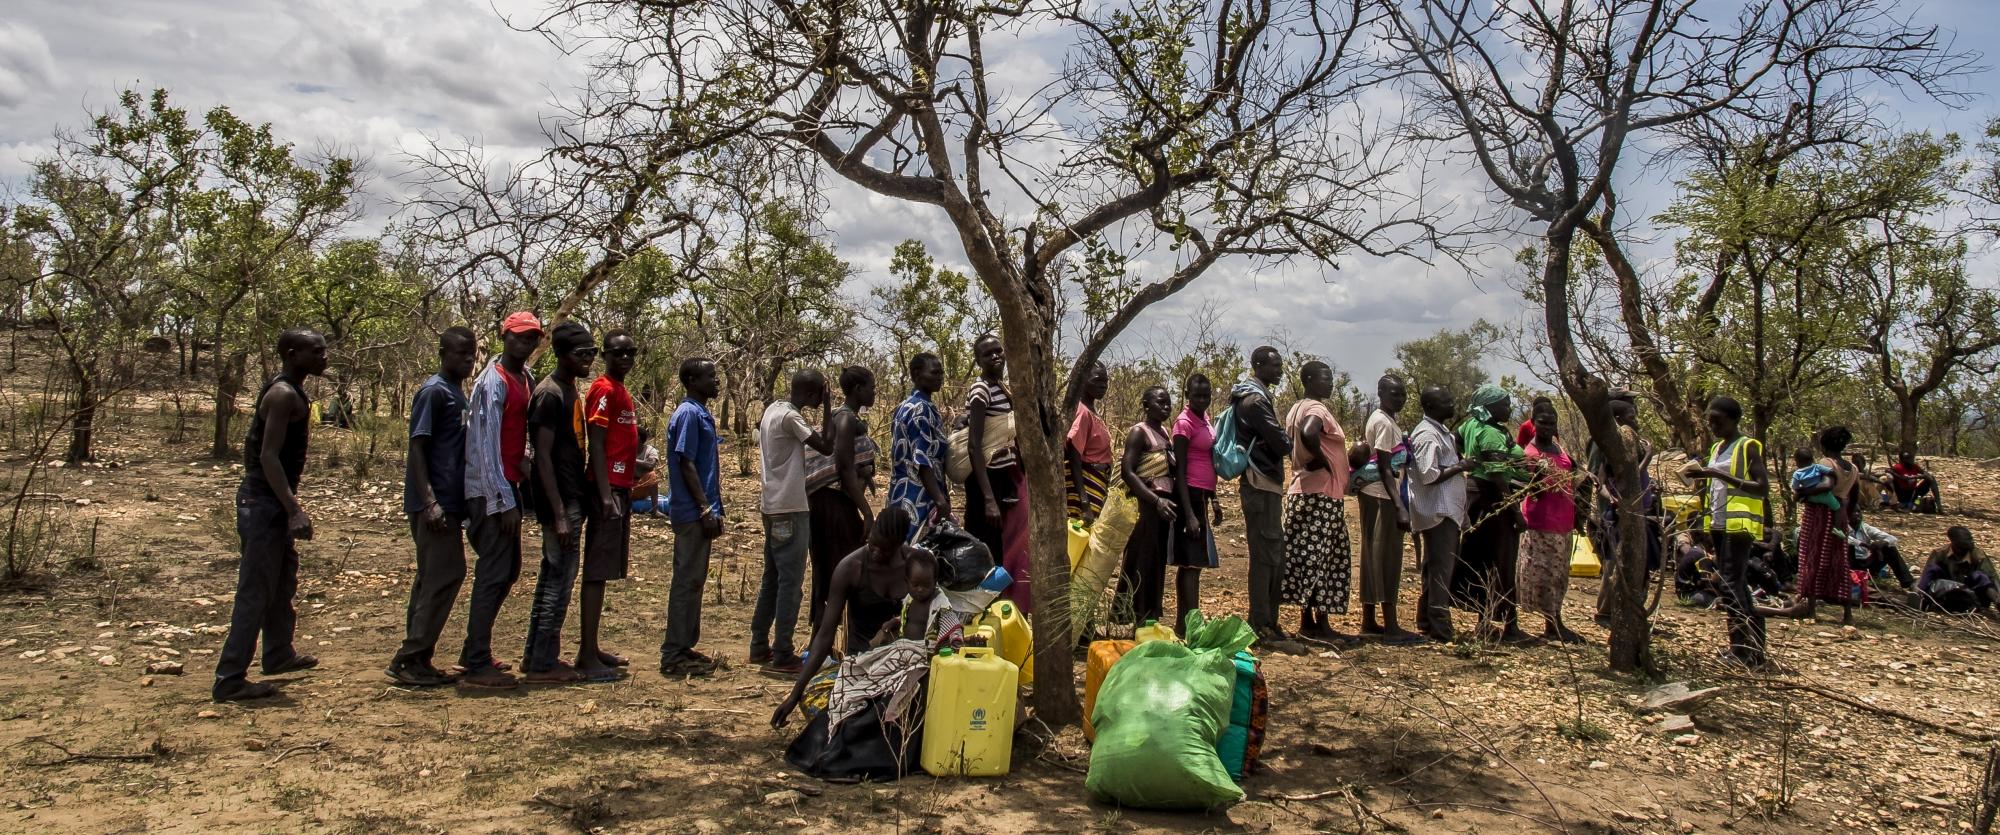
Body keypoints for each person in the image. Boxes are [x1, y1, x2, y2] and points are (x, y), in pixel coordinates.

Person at [212, 330, 328, 702]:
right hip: (263, 503)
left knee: (282, 580)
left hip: (271, 502)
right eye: (316, 351)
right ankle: (230, 678)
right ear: (293, 355)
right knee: (256, 589)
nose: (324, 357)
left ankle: (278, 653)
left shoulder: (292, 390)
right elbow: (267, 456)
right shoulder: (281, 395)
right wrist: (293, 509)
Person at [771, 504, 932, 729]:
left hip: (904, 664)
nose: (875, 552)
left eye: (883, 550)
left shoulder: (914, 565)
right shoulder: (851, 568)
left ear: (898, 546)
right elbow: (825, 635)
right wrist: (794, 694)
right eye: (872, 544)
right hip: (861, 663)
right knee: (817, 699)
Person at [386, 327, 478, 687]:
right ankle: (408, 658)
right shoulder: (433, 392)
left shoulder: (458, 393)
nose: (468, 361)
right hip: (434, 503)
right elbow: (418, 448)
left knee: (431, 577)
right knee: (446, 573)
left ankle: (418, 656)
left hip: (451, 501)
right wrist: (430, 502)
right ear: (443, 353)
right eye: (460, 354)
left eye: (471, 355)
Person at [455, 312, 540, 689]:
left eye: (533, 338)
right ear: (505, 336)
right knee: (493, 573)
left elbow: (515, 435)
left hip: (510, 484)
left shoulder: (525, 378)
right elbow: (484, 444)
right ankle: (475, 664)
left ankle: (475, 650)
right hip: (490, 491)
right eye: (520, 337)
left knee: (508, 571)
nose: (526, 344)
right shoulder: (492, 382)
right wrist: (502, 499)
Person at [521, 321, 595, 684]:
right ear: (562, 355)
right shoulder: (549, 394)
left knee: (552, 577)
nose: (588, 360)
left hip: (570, 497)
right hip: (560, 502)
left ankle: (536, 655)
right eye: (582, 354)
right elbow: (542, 458)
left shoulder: (569, 391)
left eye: (591, 354)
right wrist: (561, 513)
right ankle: (544, 662)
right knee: (559, 581)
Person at [750, 369, 836, 674]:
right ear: (813, 395)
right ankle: (783, 652)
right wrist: (829, 408)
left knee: (772, 577)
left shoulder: (774, 408)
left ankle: (760, 644)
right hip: (790, 506)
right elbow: (826, 446)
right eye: (820, 396)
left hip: (771, 505)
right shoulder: (791, 418)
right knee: (791, 583)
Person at [1681, 395, 1770, 669]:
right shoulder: (1719, 447)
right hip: (1719, 522)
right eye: (1710, 421)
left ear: (1732, 420)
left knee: (1730, 583)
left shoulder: (1748, 446)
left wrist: (1718, 475)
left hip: (1739, 525)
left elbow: (1761, 487)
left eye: (1717, 421)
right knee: (1734, 583)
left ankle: (1744, 649)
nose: (1713, 426)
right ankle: (1748, 648)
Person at [578, 330, 641, 682]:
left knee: (606, 570)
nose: (626, 358)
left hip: (621, 486)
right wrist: (604, 495)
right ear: (605, 355)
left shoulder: (621, 390)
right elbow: (597, 443)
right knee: (596, 570)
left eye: (631, 352)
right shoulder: (602, 390)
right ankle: (586, 654)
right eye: (619, 353)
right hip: (608, 489)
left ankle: (593, 646)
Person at [1281, 361, 1356, 645]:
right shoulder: (1316, 409)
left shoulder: (1296, 408)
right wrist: (1326, 463)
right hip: (1321, 494)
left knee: (1307, 556)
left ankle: (1307, 621)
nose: (1330, 383)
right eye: (1325, 378)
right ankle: (1321, 625)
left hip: (1304, 490)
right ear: (1309, 380)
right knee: (1324, 557)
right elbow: (1310, 433)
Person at [660, 357, 726, 677]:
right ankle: (673, 653)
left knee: (695, 580)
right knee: (686, 581)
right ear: (691, 381)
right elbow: (686, 463)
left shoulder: (701, 412)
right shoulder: (687, 413)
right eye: (709, 376)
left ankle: (684, 646)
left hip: (701, 510)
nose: (716, 381)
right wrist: (704, 508)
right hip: (692, 512)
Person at [806, 366, 879, 643]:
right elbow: (845, 469)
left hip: (826, 504)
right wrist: (868, 513)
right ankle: (831, 644)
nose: (874, 392)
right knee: (844, 570)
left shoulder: (843, 417)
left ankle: (823, 644)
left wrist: (866, 476)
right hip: (832, 505)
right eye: (871, 387)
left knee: (827, 570)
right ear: (859, 390)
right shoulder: (846, 419)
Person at [1232, 346, 1296, 651]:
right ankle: (1261, 624)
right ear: (1258, 366)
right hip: (1260, 482)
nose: (1280, 371)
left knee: (1273, 553)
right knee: (1266, 555)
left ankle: (1268, 620)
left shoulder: (1256, 396)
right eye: (1275, 366)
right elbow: (1281, 443)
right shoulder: (1255, 400)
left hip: (1265, 482)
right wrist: (1289, 440)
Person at [1456, 384, 1529, 643]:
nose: (1508, 408)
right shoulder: (1491, 433)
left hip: (1477, 497)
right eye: (1504, 404)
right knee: (1501, 562)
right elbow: (1498, 477)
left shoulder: (1471, 425)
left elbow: (1458, 441)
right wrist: (1516, 512)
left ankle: (1485, 621)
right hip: (1493, 501)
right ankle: (1509, 626)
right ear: (1489, 407)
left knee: (1483, 559)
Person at [1408, 385, 1481, 644]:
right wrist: (1460, 466)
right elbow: (1428, 475)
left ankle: (1427, 620)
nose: (1452, 404)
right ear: (1430, 406)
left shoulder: (1442, 432)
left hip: (1446, 510)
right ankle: (1440, 627)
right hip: (1437, 512)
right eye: (1446, 401)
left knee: (1434, 567)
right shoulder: (1427, 435)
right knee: (1441, 570)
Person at [965, 334, 1031, 612]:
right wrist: (988, 498)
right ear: (978, 361)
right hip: (987, 480)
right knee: (987, 550)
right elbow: (974, 446)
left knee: (1003, 548)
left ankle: (999, 610)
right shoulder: (981, 391)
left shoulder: (1002, 388)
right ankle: (979, 611)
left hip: (1005, 479)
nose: (996, 357)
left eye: (998, 351)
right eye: (988, 354)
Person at [1771, 427, 1860, 623]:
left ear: (1823, 444)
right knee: (1839, 560)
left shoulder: (1824, 463)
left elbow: (1825, 485)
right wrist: (1846, 513)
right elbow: (1854, 495)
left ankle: (1810, 607)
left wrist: (1802, 492)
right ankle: (1847, 613)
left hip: (1819, 514)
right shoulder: (1853, 469)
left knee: (1811, 556)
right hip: (1841, 515)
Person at [1516, 397, 1584, 643]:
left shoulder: (1558, 447)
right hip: (1541, 522)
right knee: (1545, 575)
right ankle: (1552, 623)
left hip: (1563, 520)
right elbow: (1532, 492)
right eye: (1542, 423)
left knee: (1559, 575)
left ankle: (1556, 621)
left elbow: (1571, 475)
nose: (1547, 427)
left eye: (1551, 423)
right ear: (1533, 423)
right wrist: (1541, 476)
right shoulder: (1531, 453)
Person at [1356, 374, 1418, 644]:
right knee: (1386, 557)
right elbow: (1384, 467)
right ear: (1381, 393)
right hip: (1381, 496)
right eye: (1395, 394)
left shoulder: (1386, 420)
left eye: (1403, 394)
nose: (1400, 399)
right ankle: (1390, 624)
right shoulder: (1383, 422)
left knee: (1373, 554)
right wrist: (1399, 506)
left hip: (1376, 495)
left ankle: (1369, 620)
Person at [1113, 386, 1178, 626]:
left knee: (1155, 560)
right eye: (1160, 402)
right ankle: (1130, 613)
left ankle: (1150, 612)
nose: (1166, 407)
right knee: (1140, 558)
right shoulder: (1139, 433)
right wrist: (1155, 500)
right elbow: (1128, 472)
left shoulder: (1165, 433)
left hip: (1163, 507)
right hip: (1145, 504)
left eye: (1168, 403)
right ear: (1146, 405)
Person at [1591, 398, 1657, 626]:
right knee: (1616, 563)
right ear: (1617, 421)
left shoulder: (1632, 443)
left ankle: (1629, 612)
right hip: (1620, 515)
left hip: (1638, 512)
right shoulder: (1611, 446)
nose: (1636, 422)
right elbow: (1620, 479)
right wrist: (1647, 458)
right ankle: (1608, 613)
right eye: (1631, 417)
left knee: (1637, 564)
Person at [1170, 373, 1224, 635]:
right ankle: (1188, 625)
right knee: (1190, 564)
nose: (1202, 400)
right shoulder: (1183, 424)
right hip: (1188, 495)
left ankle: (1186, 623)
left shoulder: (1205, 419)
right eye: (1197, 395)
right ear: (1187, 395)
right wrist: (1189, 514)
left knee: (1195, 565)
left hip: (1202, 495)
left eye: (1206, 395)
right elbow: (1179, 471)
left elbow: (1208, 460)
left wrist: (1214, 500)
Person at [889, 353, 951, 539]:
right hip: (919, 498)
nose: (940, 377)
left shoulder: (905, 406)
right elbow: (921, 459)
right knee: (918, 557)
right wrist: (939, 501)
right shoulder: (921, 409)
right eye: (934, 373)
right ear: (916, 374)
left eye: (941, 373)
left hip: (900, 494)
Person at [1066, 362, 1114, 527]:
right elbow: (1074, 456)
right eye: (1098, 380)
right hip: (1085, 487)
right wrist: (1083, 500)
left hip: (1096, 485)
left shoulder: (1093, 412)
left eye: (1106, 381)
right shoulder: (1082, 411)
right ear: (1083, 380)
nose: (1104, 385)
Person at [1914, 527, 1998, 616]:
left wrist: (1998, 596)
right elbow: (1926, 574)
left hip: (1971, 593)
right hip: (1946, 591)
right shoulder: (1939, 553)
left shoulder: (1978, 555)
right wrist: (1919, 587)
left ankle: (1996, 603)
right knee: (1932, 568)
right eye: (1961, 547)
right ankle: (1919, 597)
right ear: (1953, 543)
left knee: (1980, 576)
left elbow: (1993, 577)